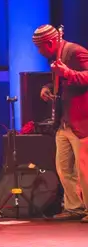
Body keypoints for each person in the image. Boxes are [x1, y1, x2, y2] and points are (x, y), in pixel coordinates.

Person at [35, 24, 88, 223]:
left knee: (85, 170)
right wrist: (47, 87)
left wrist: (67, 73)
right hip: (65, 122)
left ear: (49, 43)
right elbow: (62, 81)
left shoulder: (76, 51)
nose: (39, 52)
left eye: (40, 48)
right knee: (64, 168)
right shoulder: (55, 56)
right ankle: (75, 207)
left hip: (82, 121)